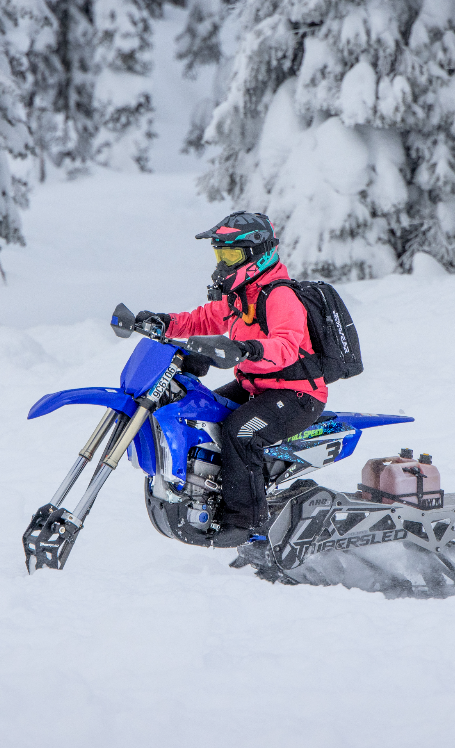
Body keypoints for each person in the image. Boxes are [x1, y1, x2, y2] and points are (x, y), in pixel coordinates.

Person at [136, 211, 327, 546]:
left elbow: (285, 346)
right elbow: (203, 319)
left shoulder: (280, 295)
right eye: (219, 254)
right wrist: (164, 322)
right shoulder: (241, 294)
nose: (223, 263)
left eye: (231, 255)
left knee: (238, 431)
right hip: (256, 386)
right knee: (198, 411)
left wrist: (246, 349)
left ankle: (247, 520)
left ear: (257, 254)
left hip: (296, 394)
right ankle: (207, 495)